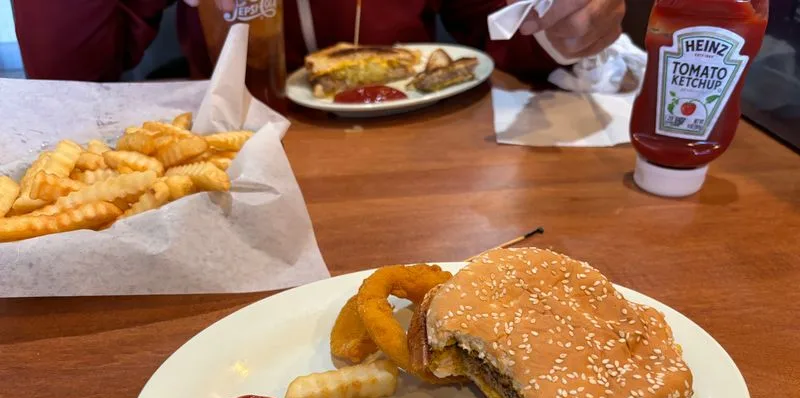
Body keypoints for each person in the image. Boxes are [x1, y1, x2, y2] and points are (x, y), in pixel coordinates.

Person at [11, 0, 625, 82]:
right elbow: (69, 72)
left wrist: (572, 22)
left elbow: (501, 25)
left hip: (418, 164)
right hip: (234, 156)